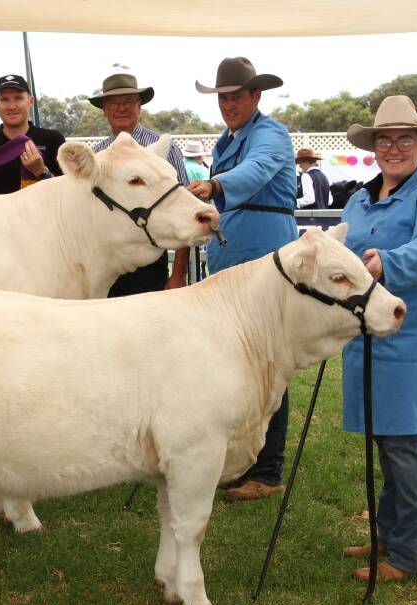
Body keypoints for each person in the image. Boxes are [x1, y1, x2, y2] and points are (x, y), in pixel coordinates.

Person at [340, 95, 417, 582]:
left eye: (404, 139)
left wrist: (386, 263)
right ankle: (388, 536)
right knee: (385, 439)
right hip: (368, 337)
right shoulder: (359, 196)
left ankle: (413, 553)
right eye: (385, 140)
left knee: (402, 445)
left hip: (413, 338)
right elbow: (343, 250)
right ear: (373, 147)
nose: (394, 148)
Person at [188, 57, 297, 501]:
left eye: (237, 96)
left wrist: (213, 187)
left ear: (256, 96)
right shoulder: (228, 138)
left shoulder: (270, 134)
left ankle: (268, 472)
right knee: (241, 363)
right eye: (223, 98)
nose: (229, 105)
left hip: (266, 256)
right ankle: (245, 461)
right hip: (234, 256)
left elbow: (254, 173)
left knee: (268, 362)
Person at [90, 73, 192, 294]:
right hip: (105, 268)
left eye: (128, 102)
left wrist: (178, 274)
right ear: (104, 110)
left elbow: (183, 208)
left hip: (149, 265)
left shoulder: (163, 147)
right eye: (114, 103)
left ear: (139, 106)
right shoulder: (96, 155)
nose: (121, 108)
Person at [0, 74, 66, 197]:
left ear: (30, 101)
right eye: (4, 100)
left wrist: (41, 171)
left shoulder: (53, 140)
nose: (11, 106)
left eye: (18, 98)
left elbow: (68, 193)